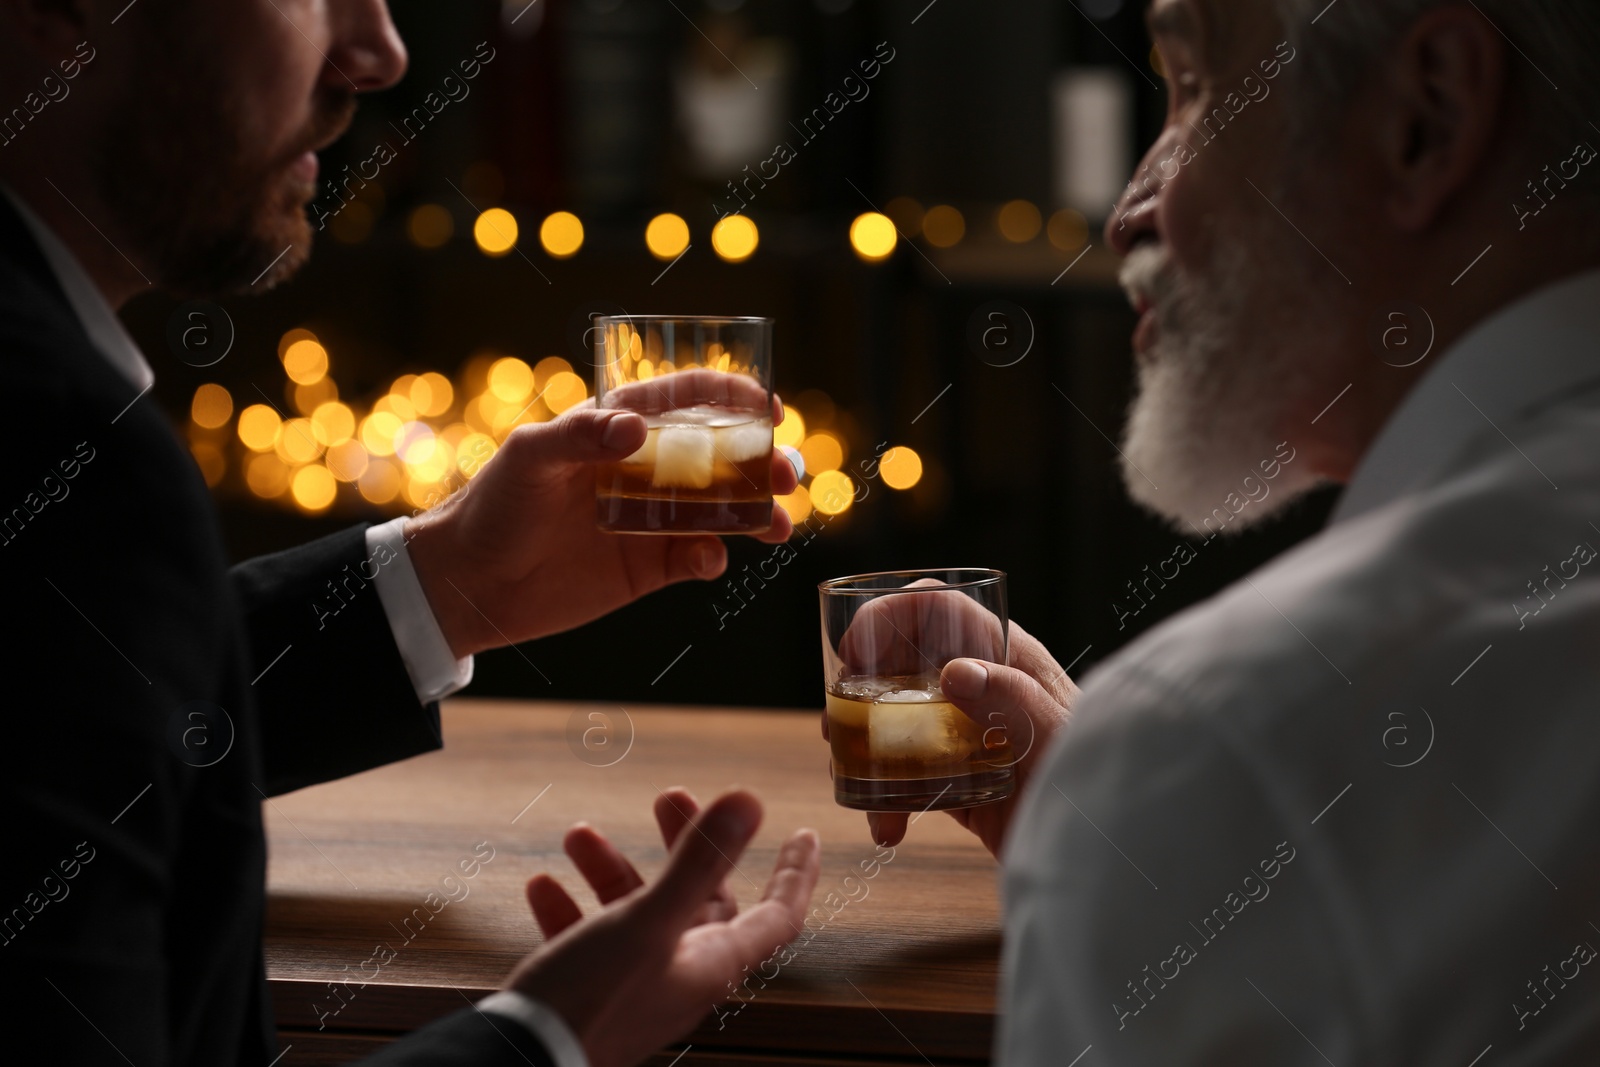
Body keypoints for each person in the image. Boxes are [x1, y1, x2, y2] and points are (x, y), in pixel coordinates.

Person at [0, 2, 819, 1065]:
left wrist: (444, 584)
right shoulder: (63, 449)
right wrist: (543, 1036)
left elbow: (71, 713)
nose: (380, 54)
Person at [849, 0, 1600, 1063]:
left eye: (1195, 84)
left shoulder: (1219, 751)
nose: (1128, 212)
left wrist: (1168, 801)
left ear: (1425, 117)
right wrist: (1156, 862)